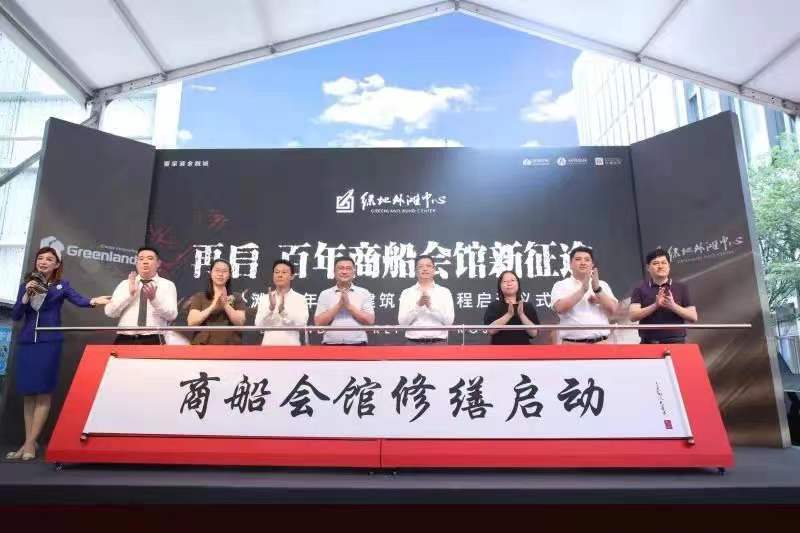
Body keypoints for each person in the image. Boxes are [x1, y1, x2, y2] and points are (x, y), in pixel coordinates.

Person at [6, 247, 110, 461]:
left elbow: (80, 300)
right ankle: (29, 442)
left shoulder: (62, 285)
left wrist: (94, 301)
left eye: (49, 259)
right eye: (40, 258)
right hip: (28, 342)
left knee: (43, 392)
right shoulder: (26, 285)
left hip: (49, 342)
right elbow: (16, 315)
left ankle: (29, 445)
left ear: (56, 265)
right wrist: (26, 295)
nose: (44, 262)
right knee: (29, 393)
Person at [104, 246, 178, 345]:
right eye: (141, 259)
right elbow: (110, 312)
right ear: (136, 263)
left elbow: (171, 315)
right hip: (124, 338)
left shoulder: (167, 285)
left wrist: (154, 299)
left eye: (150, 258)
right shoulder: (125, 284)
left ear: (158, 263)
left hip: (154, 338)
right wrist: (129, 294)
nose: (145, 262)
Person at [629, 247, 697, 344]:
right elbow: (633, 316)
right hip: (649, 343)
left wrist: (673, 306)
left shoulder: (681, 287)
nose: (660, 266)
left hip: (677, 343)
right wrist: (655, 305)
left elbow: (693, 317)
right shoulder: (639, 288)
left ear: (669, 266)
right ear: (648, 268)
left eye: (664, 263)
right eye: (656, 263)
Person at [550, 246, 617, 343]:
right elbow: (560, 308)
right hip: (573, 344)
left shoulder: (602, 284)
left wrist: (598, 290)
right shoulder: (561, 285)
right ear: (570, 264)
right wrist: (583, 290)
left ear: (592, 264)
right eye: (578, 259)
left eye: (587, 260)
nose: (583, 263)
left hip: (601, 343)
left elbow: (613, 310)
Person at [314, 256, 374, 345]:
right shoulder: (325, 294)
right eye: (341, 268)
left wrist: (349, 306)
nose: (344, 272)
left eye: (348, 268)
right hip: (330, 344)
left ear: (354, 272)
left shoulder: (364, 293)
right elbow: (318, 323)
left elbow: (370, 321)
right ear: (334, 272)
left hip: (358, 343)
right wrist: (339, 305)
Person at [186, 259, 246, 345]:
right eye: (217, 270)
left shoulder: (237, 297)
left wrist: (225, 305)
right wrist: (213, 306)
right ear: (211, 273)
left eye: (224, 271)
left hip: (230, 347)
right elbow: (191, 322)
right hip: (202, 346)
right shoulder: (200, 297)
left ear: (229, 275)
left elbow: (240, 323)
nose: (220, 274)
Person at [397, 255, 455, 344]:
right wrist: (418, 306)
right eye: (421, 266)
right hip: (413, 343)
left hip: (439, 343)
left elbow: (449, 322)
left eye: (428, 266)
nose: (425, 269)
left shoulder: (444, 292)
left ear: (434, 270)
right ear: (415, 271)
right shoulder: (407, 293)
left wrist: (431, 306)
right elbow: (402, 323)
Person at [255, 259, 309, 345]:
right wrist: (270, 309)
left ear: (292, 276)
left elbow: (302, 324)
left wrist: (283, 312)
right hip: (268, 347)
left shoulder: (300, 299)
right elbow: (258, 325)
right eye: (276, 272)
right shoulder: (265, 298)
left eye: (284, 272)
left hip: (291, 347)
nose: (280, 275)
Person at [484, 270, 540, 344]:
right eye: (505, 281)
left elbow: (534, 333)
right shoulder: (494, 306)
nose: (509, 283)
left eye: (512, 280)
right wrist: (509, 315)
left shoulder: (527, 306)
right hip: (499, 349)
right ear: (500, 286)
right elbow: (490, 330)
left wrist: (521, 315)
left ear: (518, 284)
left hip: (523, 349)